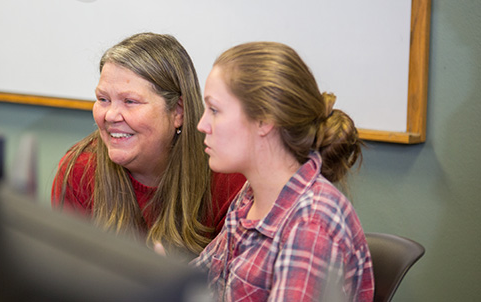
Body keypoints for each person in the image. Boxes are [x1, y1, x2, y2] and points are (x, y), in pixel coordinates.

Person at [191, 41, 374, 301]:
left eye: (215, 110)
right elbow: (200, 280)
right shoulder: (250, 196)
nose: (202, 124)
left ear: (264, 120)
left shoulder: (311, 225)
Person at [51, 32, 246, 257]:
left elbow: (235, 285)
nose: (111, 115)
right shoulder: (80, 170)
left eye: (130, 101)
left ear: (178, 111)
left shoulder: (227, 176)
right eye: (103, 99)